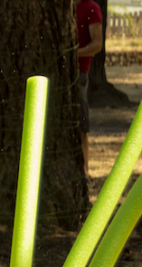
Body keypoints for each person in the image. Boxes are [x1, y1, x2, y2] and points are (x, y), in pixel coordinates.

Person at [76, 0, 103, 175]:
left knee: (81, 125)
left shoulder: (91, 8)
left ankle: (85, 171)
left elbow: (97, 44)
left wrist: (74, 53)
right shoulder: (66, 6)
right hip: (58, 74)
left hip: (79, 74)